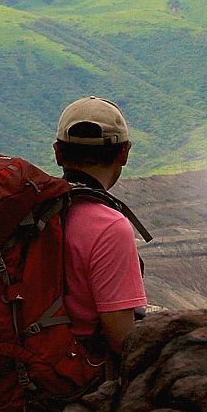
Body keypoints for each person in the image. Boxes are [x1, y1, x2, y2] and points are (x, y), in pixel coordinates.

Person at [52, 96, 147, 363]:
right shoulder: (110, 227)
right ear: (124, 152)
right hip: (79, 379)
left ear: (58, 153)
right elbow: (121, 340)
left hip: (27, 377)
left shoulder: (33, 211)